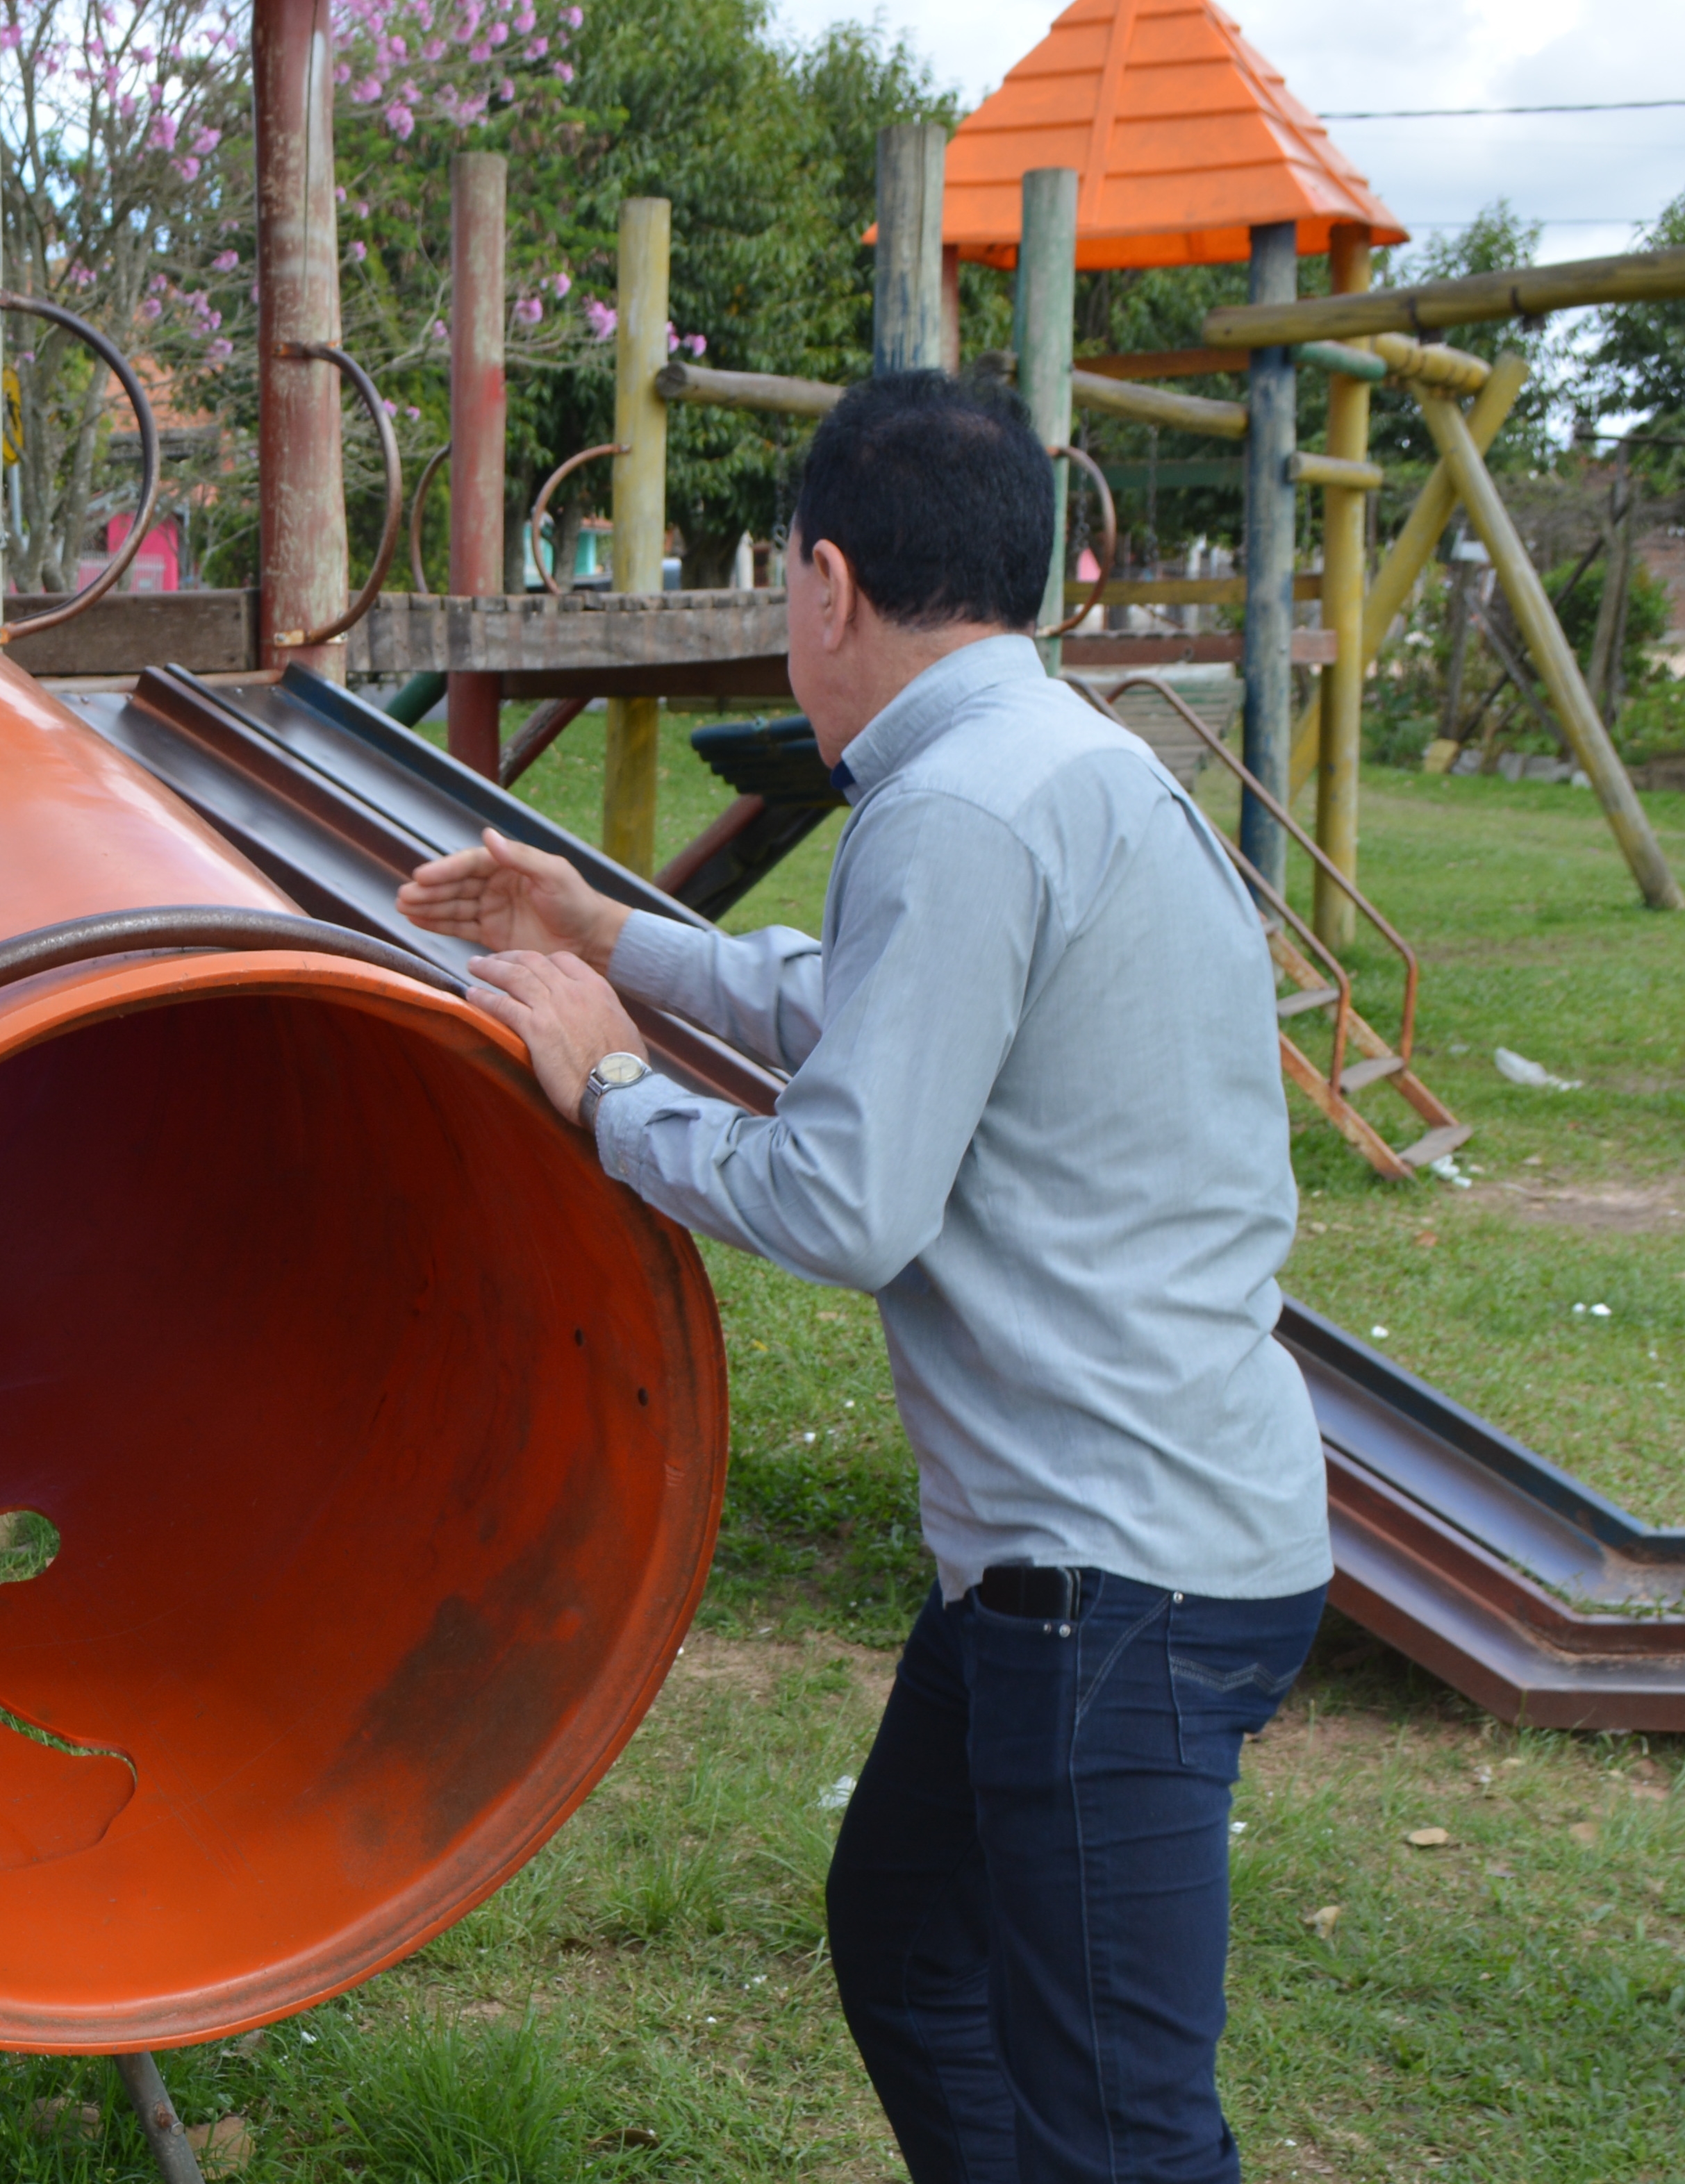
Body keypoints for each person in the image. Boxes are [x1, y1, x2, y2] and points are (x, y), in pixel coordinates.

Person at [399, 369, 1331, 2183]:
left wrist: (603, 1090)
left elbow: (844, 1196)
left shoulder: (963, 809)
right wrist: (605, 932)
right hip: (1094, 1552)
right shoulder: (1059, 761)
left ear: (820, 586)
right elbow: (864, 1010)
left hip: (1111, 1575)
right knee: (908, 1941)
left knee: (1121, 2136)